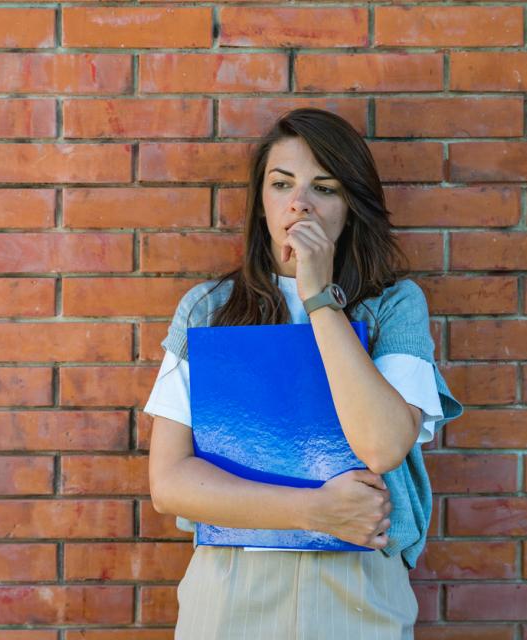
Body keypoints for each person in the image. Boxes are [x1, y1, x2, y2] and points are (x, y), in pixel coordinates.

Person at [144, 108, 463, 639]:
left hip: (356, 582)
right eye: (282, 184)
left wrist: (319, 297)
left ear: (350, 205)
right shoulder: (209, 310)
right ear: (261, 202)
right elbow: (170, 483)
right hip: (232, 579)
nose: (300, 202)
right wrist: (314, 511)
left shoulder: (392, 306)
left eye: (324, 187)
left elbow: (383, 445)